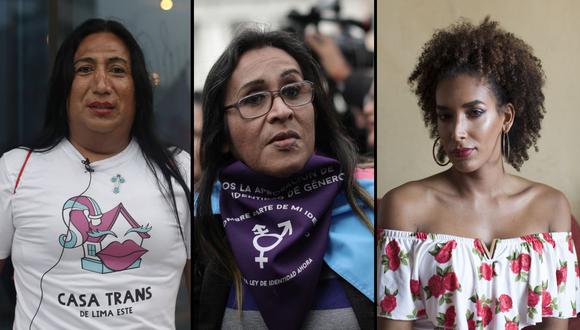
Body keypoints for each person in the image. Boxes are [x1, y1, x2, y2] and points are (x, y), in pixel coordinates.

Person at [377, 17, 580, 329]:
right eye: (445, 116)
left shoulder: (550, 206)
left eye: (474, 113)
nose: (457, 132)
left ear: (506, 117)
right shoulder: (405, 206)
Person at [0, 19, 191, 329]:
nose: (102, 85)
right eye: (84, 69)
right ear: (65, 86)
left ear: (138, 88)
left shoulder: (178, 169)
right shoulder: (15, 170)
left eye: (117, 70)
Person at [195, 28, 374, 329]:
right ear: (223, 134)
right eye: (254, 99)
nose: (281, 111)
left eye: (293, 91)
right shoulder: (201, 220)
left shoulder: (372, 206)